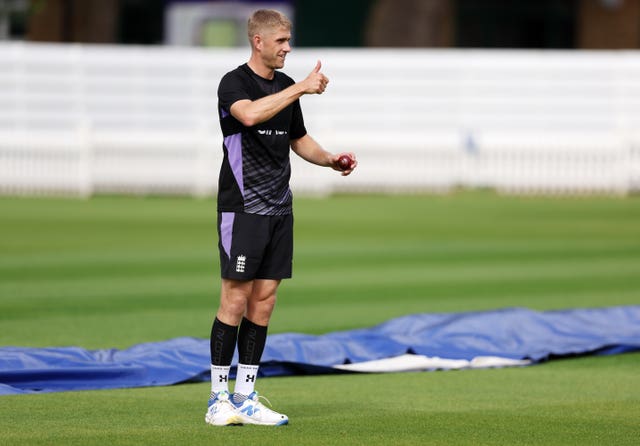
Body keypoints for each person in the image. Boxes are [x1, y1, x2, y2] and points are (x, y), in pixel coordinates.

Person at [205, 9, 357, 427]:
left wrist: (330, 160)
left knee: (265, 302)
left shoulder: (288, 87)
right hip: (242, 208)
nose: (288, 48)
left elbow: (298, 140)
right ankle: (218, 400)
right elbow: (250, 115)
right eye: (281, 41)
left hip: (279, 209)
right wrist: (303, 89)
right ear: (258, 41)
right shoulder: (233, 83)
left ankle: (246, 396)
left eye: (289, 41)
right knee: (234, 299)